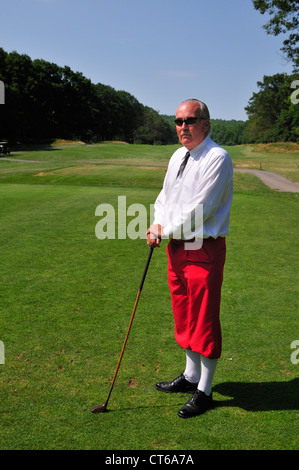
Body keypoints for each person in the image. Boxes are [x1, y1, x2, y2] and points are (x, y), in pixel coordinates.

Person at [146, 99, 233, 418]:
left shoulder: (217, 157)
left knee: (204, 316)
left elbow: (201, 209)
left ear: (206, 124)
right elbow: (165, 197)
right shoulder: (178, 155)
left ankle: (205, 391)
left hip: (203, 246)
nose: (184, 126)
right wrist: (157, 222)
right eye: (179, 121)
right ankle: (190, 375)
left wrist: (165, 228)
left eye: (191, 120)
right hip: (177, 246)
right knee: (183, 310)